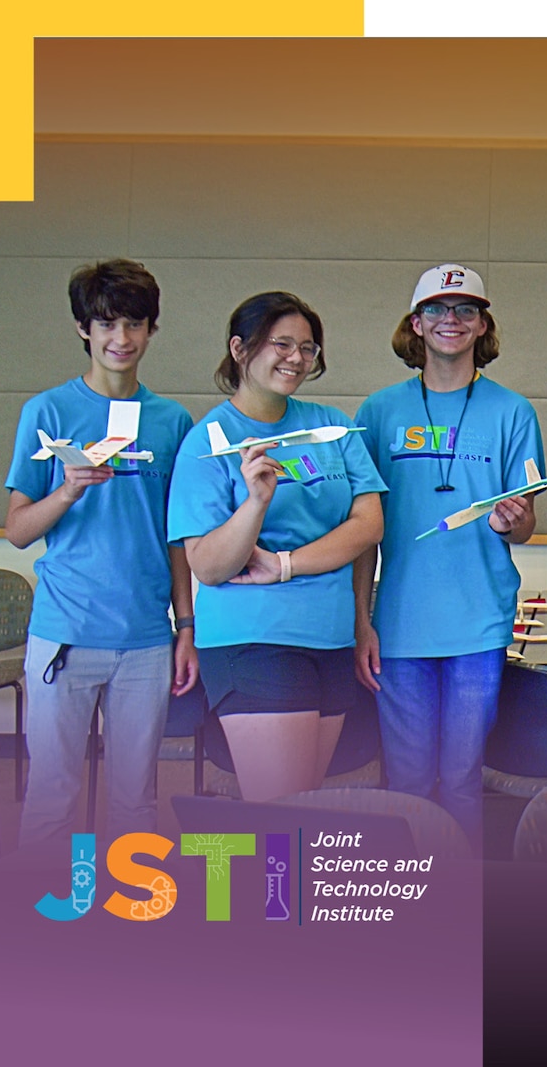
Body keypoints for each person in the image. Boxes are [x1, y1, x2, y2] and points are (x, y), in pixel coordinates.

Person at [5, 259, 196, 847]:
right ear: (84, 329)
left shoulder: (172, 421)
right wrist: (68, 487)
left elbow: (179, 540)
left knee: (136, 801)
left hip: (144, 638)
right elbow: (16, 529)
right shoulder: (48, 412)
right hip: (65, 630)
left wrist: (185, 626)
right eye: (107, 324)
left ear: (151, 331)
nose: (122, 339)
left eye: (135, 324)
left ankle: (127, 928)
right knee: (52, 796)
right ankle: (34, 928)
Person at [353, 264, 542, 853]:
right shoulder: (378, 412)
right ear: (416, 323)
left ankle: (459, 902)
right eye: (437, 308)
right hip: (401, 623)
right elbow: (361, 530)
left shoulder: (513, 412)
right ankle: (409, 896)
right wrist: (362, 619)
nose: (451, 320)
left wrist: (517, 522)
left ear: (483, 325)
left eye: (466, 310)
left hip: (478, 621)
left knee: (461, 780)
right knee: (406, 781)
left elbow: (526, 521)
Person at [169, 292, 385, 803]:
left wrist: (287, 566)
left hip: (329, 637)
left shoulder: (331, 425)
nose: (296, 358)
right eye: (280, 344)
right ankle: (264, 890)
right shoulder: (209, 440)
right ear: (240, 348)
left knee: (304, 805)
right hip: (256, 639)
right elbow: (209, 565)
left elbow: (368, 525)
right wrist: (255, 504)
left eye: (307, 348)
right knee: (279, 816)